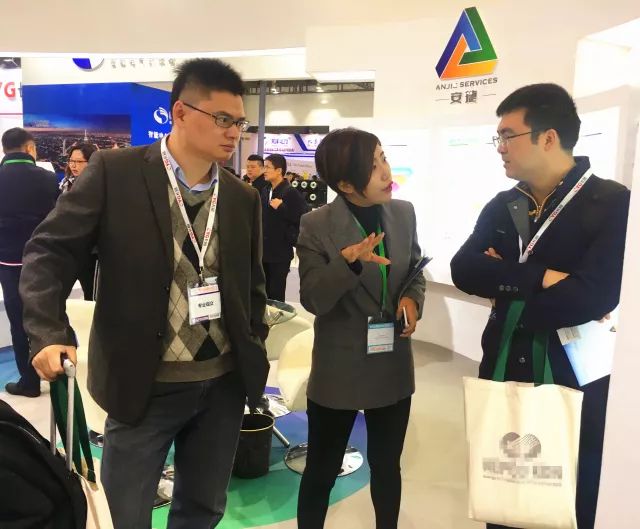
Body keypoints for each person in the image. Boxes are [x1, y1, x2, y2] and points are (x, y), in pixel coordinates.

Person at [20, 58, 269, 529]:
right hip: (144, 384)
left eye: (240, 122)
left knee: (203, 510)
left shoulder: (242, 197)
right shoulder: (116, 173)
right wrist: (48, 330)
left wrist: (252, 341)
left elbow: (252, 287)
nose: (234, 132)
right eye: (222, 119)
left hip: (222, 384)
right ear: (180, 112)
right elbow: (49, 252)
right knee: (124, 515)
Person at [450, 83, 630, 529]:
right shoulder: (505, 204)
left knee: (567, 498)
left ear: (548, 138)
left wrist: (506, 283)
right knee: (501, 492)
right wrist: (541, 277)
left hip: (573, 378)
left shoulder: (613, 203)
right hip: (503, 364)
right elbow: (464, 269)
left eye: (507, 135)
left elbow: (594, 295)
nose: (500, 147)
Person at [296, 128, 426, 529]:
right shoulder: (316, 224)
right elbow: (313, 299)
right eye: (373, 167)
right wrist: (349, 262)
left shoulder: (403, 213)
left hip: (391, 363)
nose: (386, 172)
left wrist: (412, 299)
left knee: (387, 467)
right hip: (340, 368)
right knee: (321, 469)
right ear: (346, 184)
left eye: (383, 158)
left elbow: (415, 270)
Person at [0, 127, 58, 398]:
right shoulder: (48, 179)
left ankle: (29, 382)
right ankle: (58, 375)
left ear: (4, 149)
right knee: (50, 316)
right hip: (43, 260)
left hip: (9, 261)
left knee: (18, 321)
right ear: (29, 148)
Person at [261, 153, 309, 301]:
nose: (264, 170)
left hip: (280, 251)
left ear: (279, 171)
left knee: (276, 292)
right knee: (263, 291)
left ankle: (277, 315)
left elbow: (303, 217)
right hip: (264, 250)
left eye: (267, 167)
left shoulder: (291, 192)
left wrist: (282, 207)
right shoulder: (266, 190)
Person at [60, 142, 99, 300]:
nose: (73, 165)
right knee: (58, 294)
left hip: (91, 251)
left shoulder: (98, 185)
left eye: (79, 161)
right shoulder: (65, 184)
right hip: (68, 248)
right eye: (71, 161)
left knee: (91, 295)